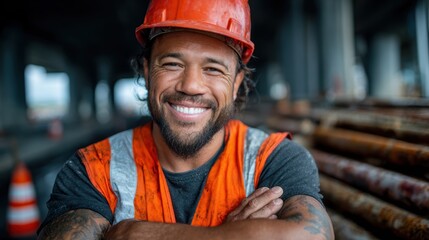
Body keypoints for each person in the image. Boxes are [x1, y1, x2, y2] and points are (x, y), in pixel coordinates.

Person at [38, 0, 334, 239]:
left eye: (213, 69)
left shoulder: (275, 160)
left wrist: (135, 232)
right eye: (172, 64)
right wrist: (233, 235)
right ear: (146, 71)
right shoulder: (93, 169)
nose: (191, 85)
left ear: (235, 84)